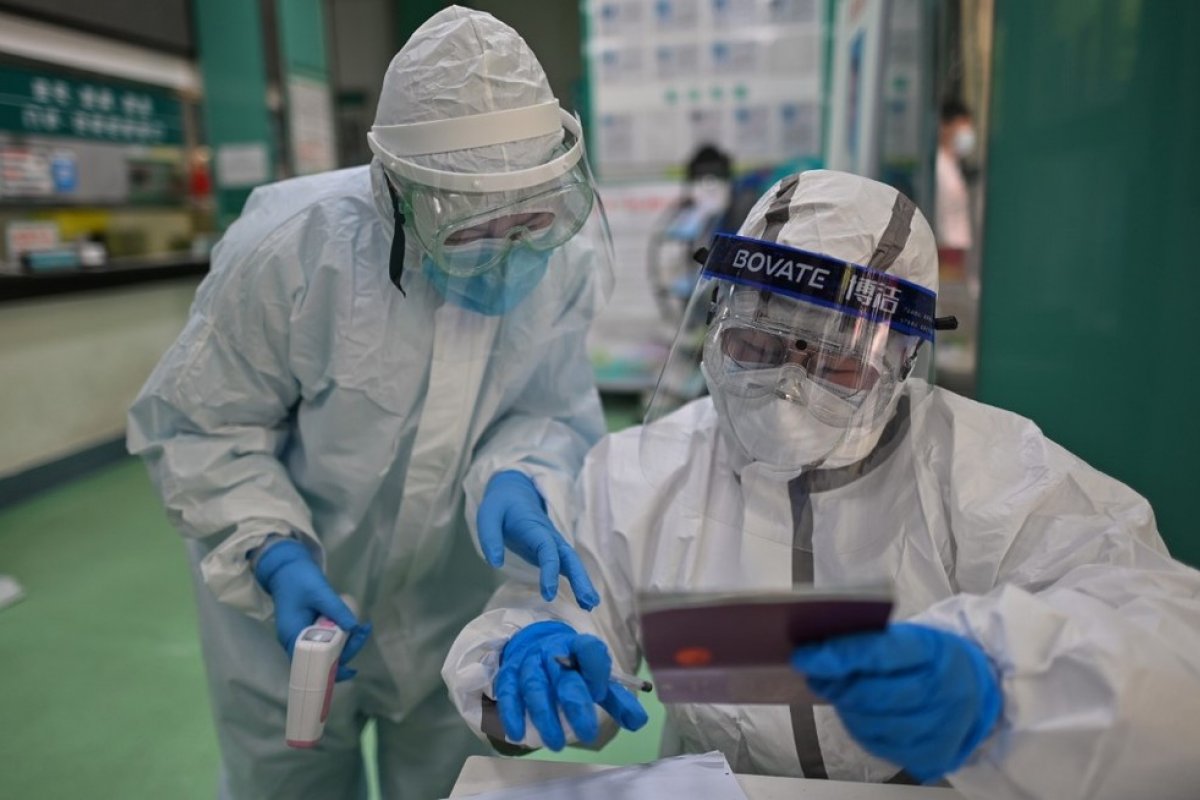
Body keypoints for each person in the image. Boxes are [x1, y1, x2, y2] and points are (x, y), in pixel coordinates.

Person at [443, 170, 1200, 799]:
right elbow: (557, 617)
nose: (784, 384)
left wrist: (1006, 680)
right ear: (716, 326)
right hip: (722, 786)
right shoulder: (642, 469)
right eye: (756, 343)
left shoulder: (988, 469)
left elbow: (1168, 635)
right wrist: (527, 660)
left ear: (902, 361)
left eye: (834, 359)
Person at [128, 7, 613, 798]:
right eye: (473, 230)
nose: (514, 248)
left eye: (533, 216)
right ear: (397, 197)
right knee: (290, 779)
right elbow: (201, 425)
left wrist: (520, 476)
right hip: (291, 607)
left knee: (449, 782)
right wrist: (273, 555)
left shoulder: (565, 260)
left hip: (453, 602)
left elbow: (551, 407)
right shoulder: (291, 251)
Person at [936, 98, 975, 250]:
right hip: (945, 253)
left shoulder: (954, 166)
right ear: (945, 127)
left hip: (958, 254)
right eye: (962, 125)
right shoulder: (938, 168)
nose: (968, 132)